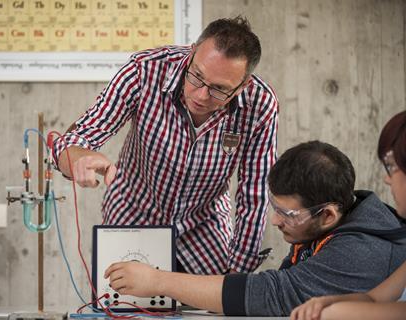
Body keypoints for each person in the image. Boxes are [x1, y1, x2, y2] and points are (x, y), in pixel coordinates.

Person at [53, 16, 279, 274]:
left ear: (243, 86)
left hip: (204, 225)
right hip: (132, 213)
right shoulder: (144, 70)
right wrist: (79, 157)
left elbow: (255, 194)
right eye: (197, 77)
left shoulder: (260, 104)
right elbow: (74, 139)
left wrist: (237, 274)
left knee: (216, 308)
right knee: (125, 309)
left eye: (219, 89)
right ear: (192, 52)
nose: (201, 95)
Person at [104, 140, 406, 316]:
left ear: (327, 215)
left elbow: (273, 295)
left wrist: (158, 281)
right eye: (273, 208)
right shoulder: (329, 225)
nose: (275, 221)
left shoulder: (361, 251)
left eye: (286, 213)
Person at [290, 111, 406, 320]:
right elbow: (374, 299)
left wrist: (334, 310)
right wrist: (328, 301)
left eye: (392, 166)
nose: (387, 179)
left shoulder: (364, 246)